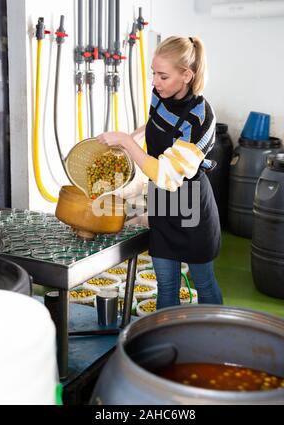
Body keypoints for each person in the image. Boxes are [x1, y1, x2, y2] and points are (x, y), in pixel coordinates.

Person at [97, 35, 223, 308]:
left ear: (187, 75)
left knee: (204, 285)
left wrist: (126, 142)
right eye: (153, 73)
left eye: (163, 76)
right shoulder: (161, 94)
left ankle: (216, 340)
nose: (154, 82)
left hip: (191, 210)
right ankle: (168, 345)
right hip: (162, 203)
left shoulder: (201, 119)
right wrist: (134, 135)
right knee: (166, 286)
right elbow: (157, 121)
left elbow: (166, 174)